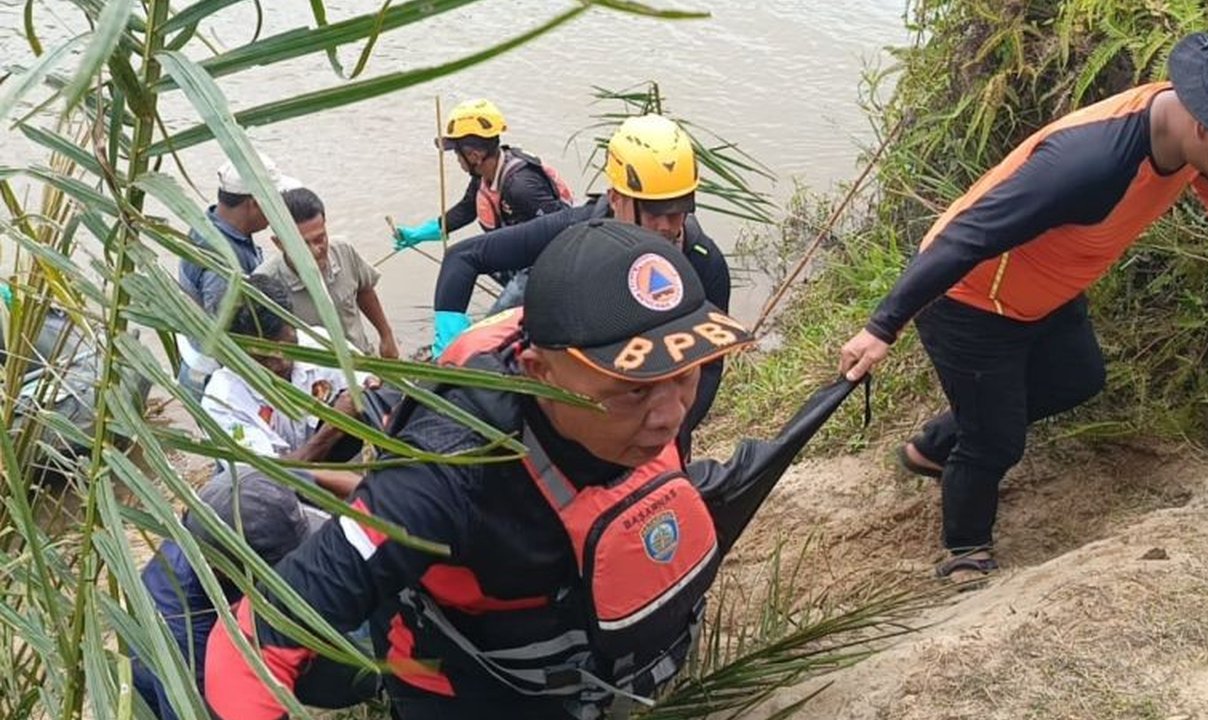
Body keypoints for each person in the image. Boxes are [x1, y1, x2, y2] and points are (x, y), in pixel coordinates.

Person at [204, 220, 857, 719]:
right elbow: (249, 647)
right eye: (632, 387)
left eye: (684, 372)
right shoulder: (450, 471)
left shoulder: (642, 400)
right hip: (466, 690)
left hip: (576, 662)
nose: (668, 416)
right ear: (542, 372)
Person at [837, 30, 1208, 579]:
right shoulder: (1087, 163)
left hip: (1051, 288)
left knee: (1079, 379)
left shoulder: (1201, 149)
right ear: (1204, 126)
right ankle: (965, 549)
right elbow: (964, 238)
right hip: (974, 301)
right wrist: (882, 327)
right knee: (995, 441)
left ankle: (931, 447)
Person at [428, 114, 731, 456]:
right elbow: (464, 258)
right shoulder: (574, 234)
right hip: (580, 432)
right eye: (652, 211)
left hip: (659, 437)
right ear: (616, 198)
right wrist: (450, 329)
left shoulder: (704, 264)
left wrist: (676, 431)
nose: (665, 225)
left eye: (677, 211)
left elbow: (709, 366)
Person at [129, 466, 378, 720]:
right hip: (189, 680)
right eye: (282, 567)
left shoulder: (253, 491)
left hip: (248, 612)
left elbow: (317, 477)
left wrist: (386, 506)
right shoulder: (183, 627)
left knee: (366, 670)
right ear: (224, 572)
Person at [201, 274, 371, 498]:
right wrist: (333, 427)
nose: (280, 363)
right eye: (263, 358)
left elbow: (371, 385)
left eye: (289, 347)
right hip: (265, 498)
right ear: (236, 351)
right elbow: (270, 480)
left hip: (318, 464)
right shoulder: (222, 400)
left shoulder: (319, 344)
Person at [177, 154, 300, 393]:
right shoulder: (222, 263)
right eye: (274, 201)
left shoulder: (210, 224)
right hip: (213, 380)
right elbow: (227, 338)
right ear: (254, 203)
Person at [392, 98, 574, 246]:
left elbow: (562, 230)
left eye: (457, 153)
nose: (457, 159)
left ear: (474, 155)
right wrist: (423, 233)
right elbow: (466, 210)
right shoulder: (486, 175)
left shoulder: (521, 187)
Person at [255, 187, 400, 359]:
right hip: (316, 377)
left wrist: (386, 335)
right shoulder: (265, 285)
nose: (315, 250)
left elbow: (364, 289)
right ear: (279, 243)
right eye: (302, 244)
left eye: (320, 239)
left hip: (363, 362)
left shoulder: (343, 251)